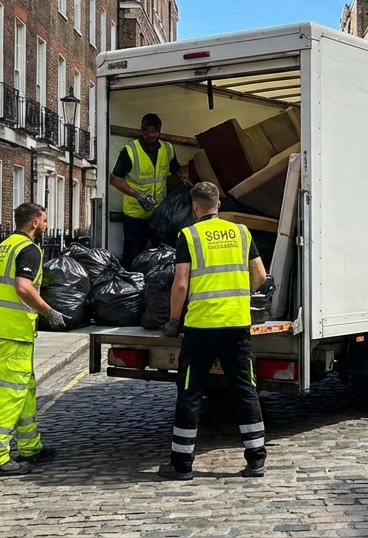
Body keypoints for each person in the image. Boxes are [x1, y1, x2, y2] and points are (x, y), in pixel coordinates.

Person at [158, 181, 269, 480]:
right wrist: (238, 296)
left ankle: (181, 465)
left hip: (201, 327)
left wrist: (172, 321)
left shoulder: (189, 235)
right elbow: (260, 274)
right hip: (236, 326)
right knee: (245, 391)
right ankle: (256, 459)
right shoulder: (242, 232)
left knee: (191, 393)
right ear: (218, 205)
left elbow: (181, 283)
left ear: (195, 207)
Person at [0, 202, 68, 476]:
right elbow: (22, 287)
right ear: (34, 223)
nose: (46, 224)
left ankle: (30, 447)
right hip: (12, 331)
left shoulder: (4, 246)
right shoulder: (29, 249)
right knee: (11, 393)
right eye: (44, 220)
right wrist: (49, 312)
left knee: (26, 389)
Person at [109, 112, 183, 267]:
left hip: (158, 212)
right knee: (133, 254)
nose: (153, 139)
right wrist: (138, 195)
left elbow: (176, 171)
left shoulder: (167, 149)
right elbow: (115, 179)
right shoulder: (130, 151)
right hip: (135, 213)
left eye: (156, 135)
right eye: (150, 135)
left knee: (160, 254)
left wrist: (183, 181)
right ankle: (132, 283)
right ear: (143, 131)